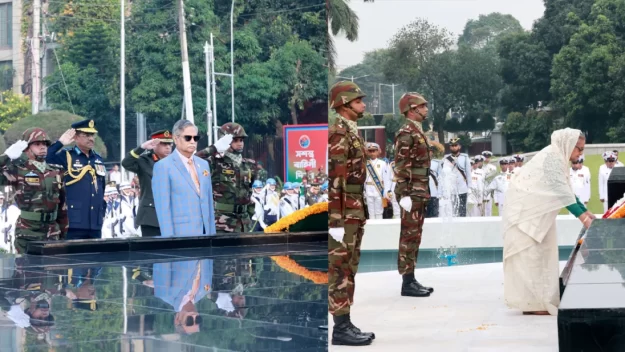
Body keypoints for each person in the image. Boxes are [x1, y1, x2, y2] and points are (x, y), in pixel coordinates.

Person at [503, 128, 595, 316]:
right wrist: (584, 219)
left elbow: (567, 191)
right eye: (579, 149)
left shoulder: (558, 157)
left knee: (543, 255)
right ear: (569, 145)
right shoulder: (553, 158)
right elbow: (562, 193)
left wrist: (587, 212)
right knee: (531, 257)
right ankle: (534, 304)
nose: (580, 154)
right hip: (526, 214)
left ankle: (538, 301)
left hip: (538, 213)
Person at [327, 81, 374, 346]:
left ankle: (345, 322)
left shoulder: (350, 131)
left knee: (350, 266)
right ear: (344, 103)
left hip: (354, 208)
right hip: (343, 212)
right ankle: (341, 329)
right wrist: (335, 219)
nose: (363, 104)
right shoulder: (338, 132)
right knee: (339, 268)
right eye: (358, 101)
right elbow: (336, 176)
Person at [0, 128, 68, 253]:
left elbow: (62, 205)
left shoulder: (56, 171)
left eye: (45, 144)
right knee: (27, 271)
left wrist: (63, 232)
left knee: (52, 270)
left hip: (52, 232)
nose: (43, 147)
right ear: (27, 148)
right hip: (27, 232)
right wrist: (6, 156)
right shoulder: (18, 170)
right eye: (37, 144)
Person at [394, 92, 434, 297]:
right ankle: (406, 282)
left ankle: (411, 278)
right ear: (412, 109)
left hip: (420, 190)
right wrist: (404, 194)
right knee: (408, 236)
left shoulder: (417, 131)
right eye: (423, 105)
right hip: (411, 192)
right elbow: (401, 166)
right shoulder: (406, 132)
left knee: (415, 235)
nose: (426, 109)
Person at [152, 120, 216, 237]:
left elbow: (208, 203)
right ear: (176, 139)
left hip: (206, 234)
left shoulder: (203, 165)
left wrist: (212, 235)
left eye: (195, 138)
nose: (192, 142)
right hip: (181, 234)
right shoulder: (163, 166)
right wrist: (169, 240)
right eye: (188, 138)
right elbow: (163, 209)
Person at [46, 119, 106, 239]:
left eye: (92, 135)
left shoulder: (98, 159)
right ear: (76, 137)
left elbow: (102, 187)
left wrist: (102, 210)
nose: (91, 138)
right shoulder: (67, 156)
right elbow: (45, 157)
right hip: (73, 222)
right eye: (86, 135)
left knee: (95, 256)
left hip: (95, 222)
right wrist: (60, 143)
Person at [196, 123, 258, 233]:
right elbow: (193, 161)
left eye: (241, 140)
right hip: (222, 223)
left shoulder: (250, 165)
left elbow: (249, 191)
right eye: (235, 140)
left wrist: (249, 213)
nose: (240, 144)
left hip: (244, 223)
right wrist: (214, 148)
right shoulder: (214, 163)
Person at [121, 130, 173, 237]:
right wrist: (142, 147)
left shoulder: (175, 162)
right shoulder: (145, 161)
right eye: (163, 144)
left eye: (169, 144)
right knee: (151, 251)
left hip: (172, 215)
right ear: (154, 145)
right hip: (151, 216)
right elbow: (126, 163)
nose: (168, 147)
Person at [439, 138, 471, 217]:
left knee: (462, 211)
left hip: (462, 189)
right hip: (451, 190)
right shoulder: (445, 159)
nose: (454, 147)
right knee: (452, 211)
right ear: (450, 147)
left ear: (459, 146)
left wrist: (469, 187)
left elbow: (468, 174)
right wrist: (441, 191)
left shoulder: (465, 158)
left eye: (455, 145)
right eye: (452, 146)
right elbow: (442, 176)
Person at [364, 143, 390, 220]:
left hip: (379, 190)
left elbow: (386, 178)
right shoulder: (365, 164)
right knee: (371, 212)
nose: (372, 153)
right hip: (369, 189)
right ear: (367, 152)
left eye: (374, 151)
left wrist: (386, 191)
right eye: (370, 151)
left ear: (378, 151)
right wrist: (364, 191)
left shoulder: (383, 163)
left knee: (379, 212)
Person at [481, 151, 497, 216]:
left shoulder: (493, 168)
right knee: (481, 209)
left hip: (489, 190)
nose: (487, 159)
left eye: (488, 157)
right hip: (481, 190)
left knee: (489, 209)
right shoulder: (480, 166)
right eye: (485, 157)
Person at [426, 147, 440, 218]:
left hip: (434, 194)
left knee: (434, 216)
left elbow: (440, 179)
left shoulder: (437, 163)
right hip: (423, 195)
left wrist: (440, 193)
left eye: (430, 151)